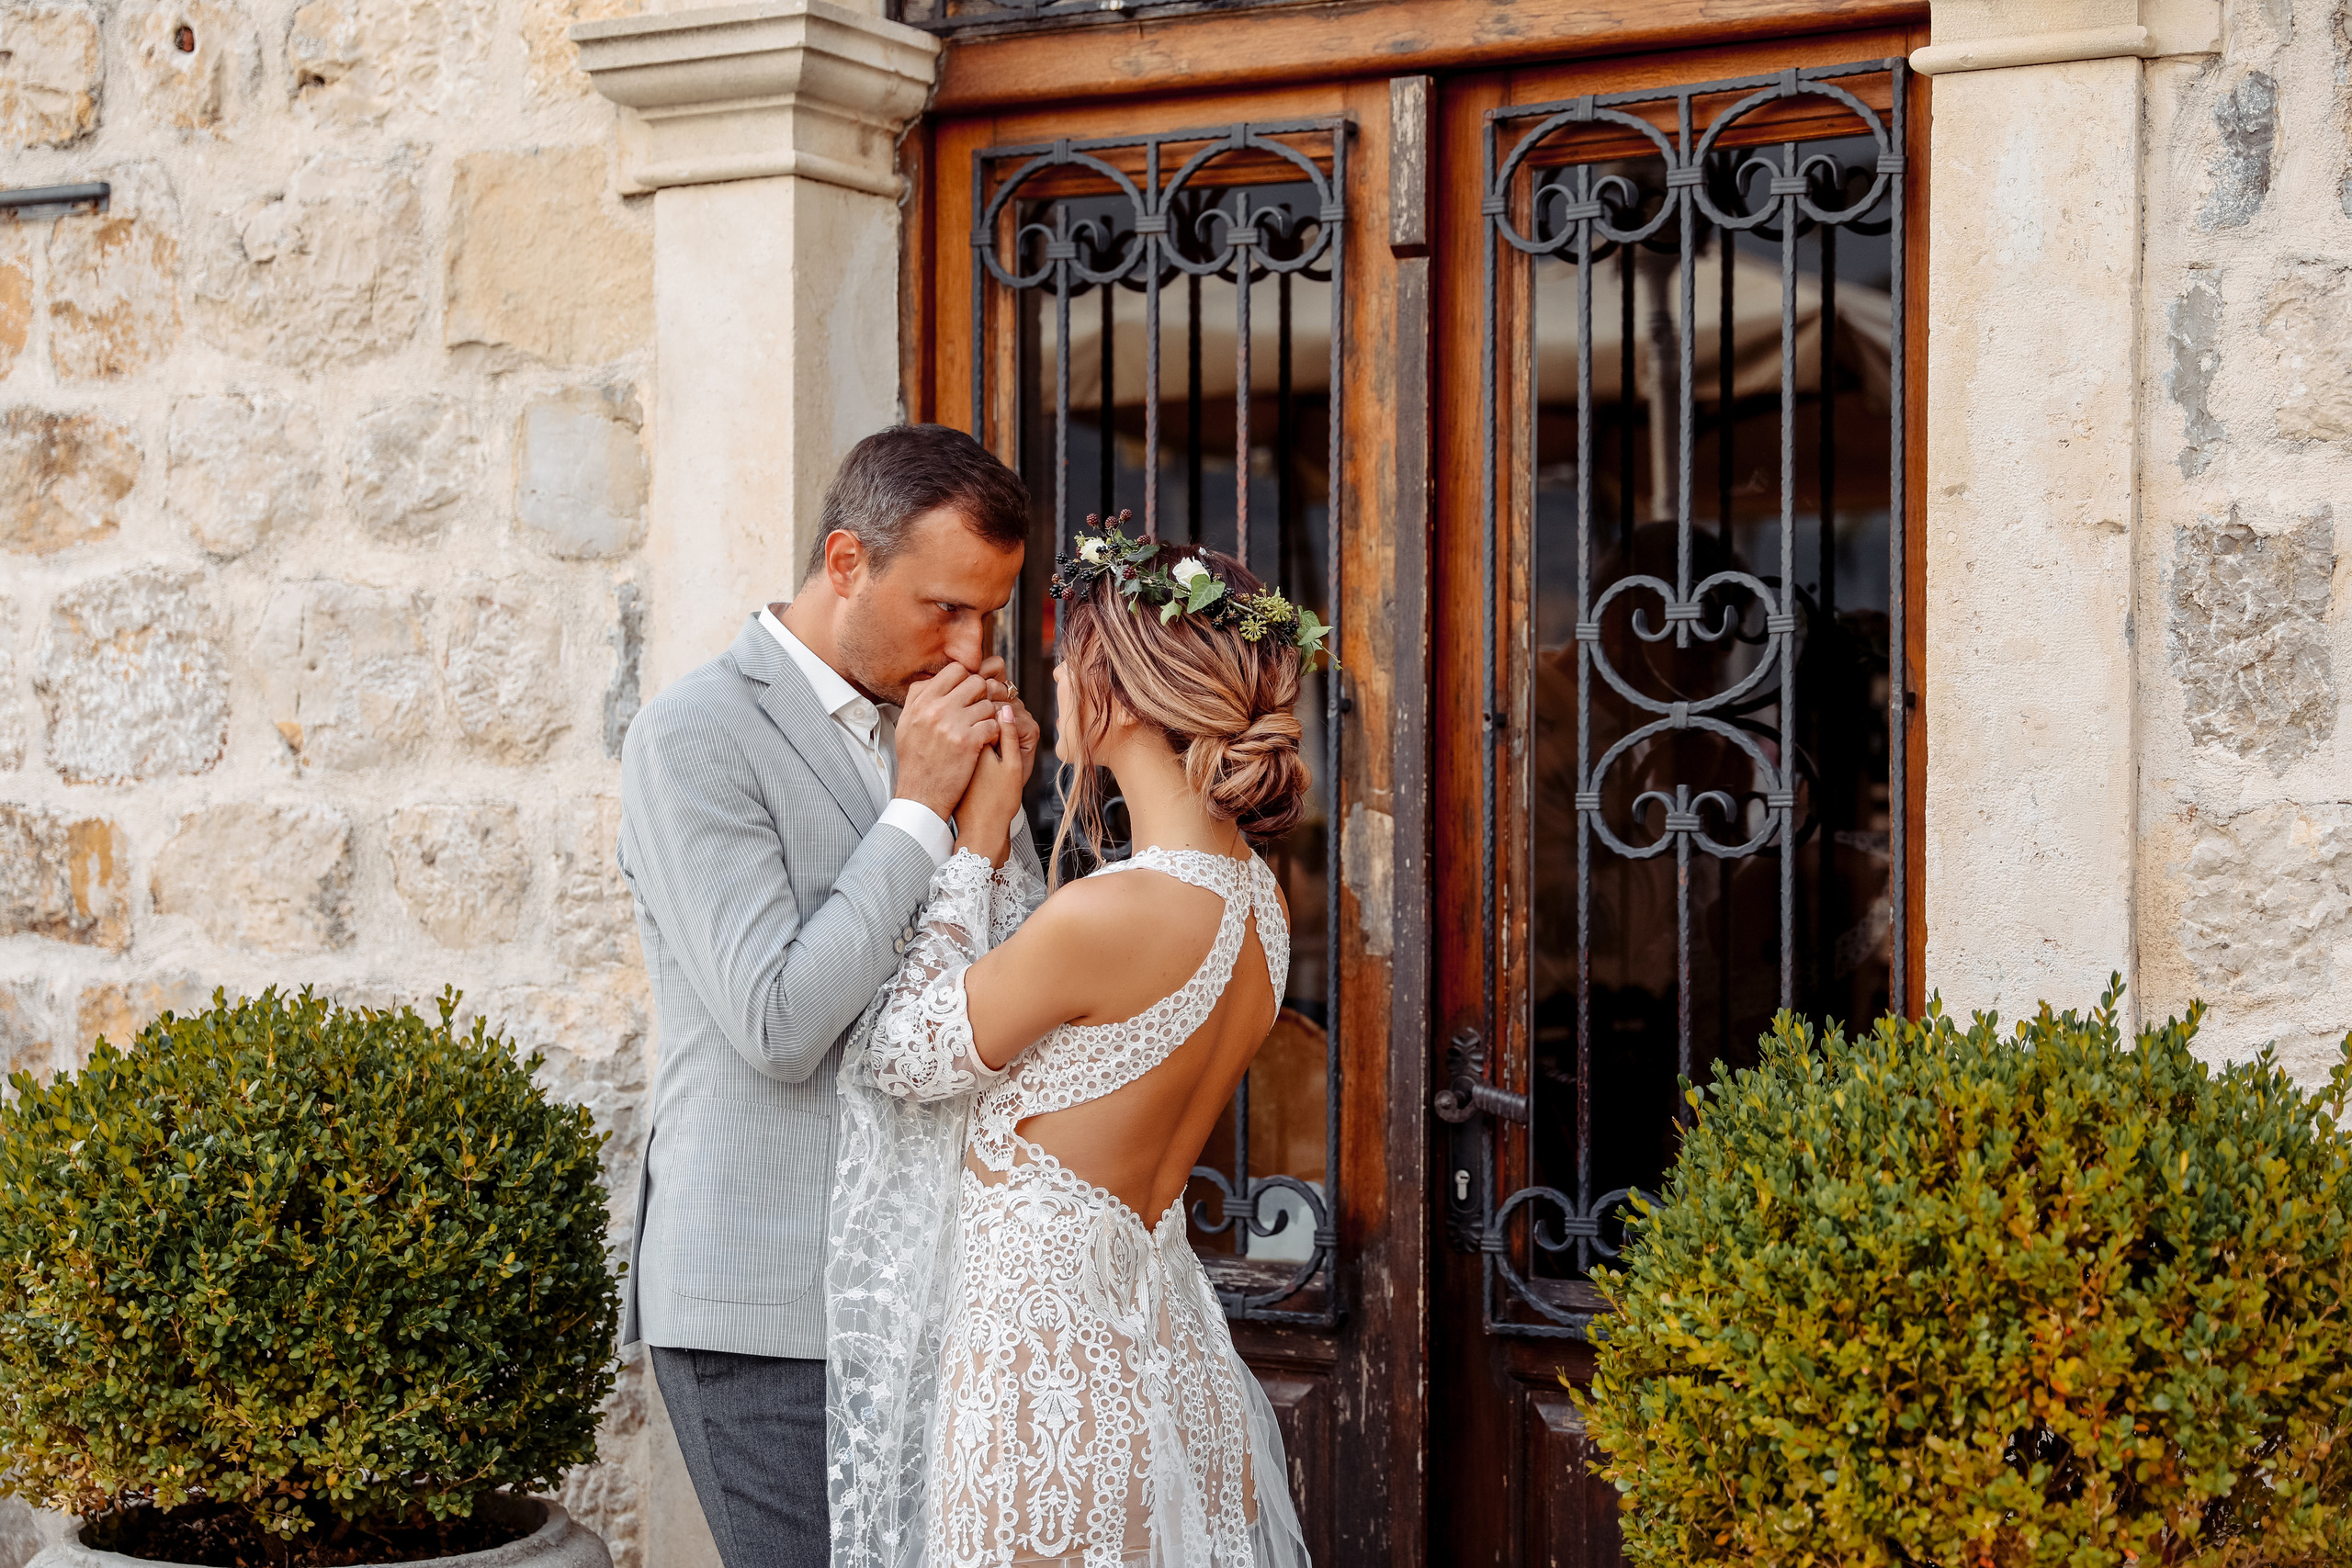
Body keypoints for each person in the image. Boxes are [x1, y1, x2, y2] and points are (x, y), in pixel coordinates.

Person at [827, 513, 1330, 1568]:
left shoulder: (1115, 913)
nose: (1050, 684)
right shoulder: (1259, 905)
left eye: (1064, 665)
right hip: (1163, 1359)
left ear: (1109, 692)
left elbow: (904, 1056)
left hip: (1045, 1381)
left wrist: (970, 847)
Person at [616, 424, 1046, 1568]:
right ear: (846, 562)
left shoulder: (942, 728)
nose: (970, 647)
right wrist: (917, 811)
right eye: (944, 609)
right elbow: (777, 1023)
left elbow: (1002, 992)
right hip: (765, 1312)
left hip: (930, 1302)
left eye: (991, 615)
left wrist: (993, 825)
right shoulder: (695, 735)